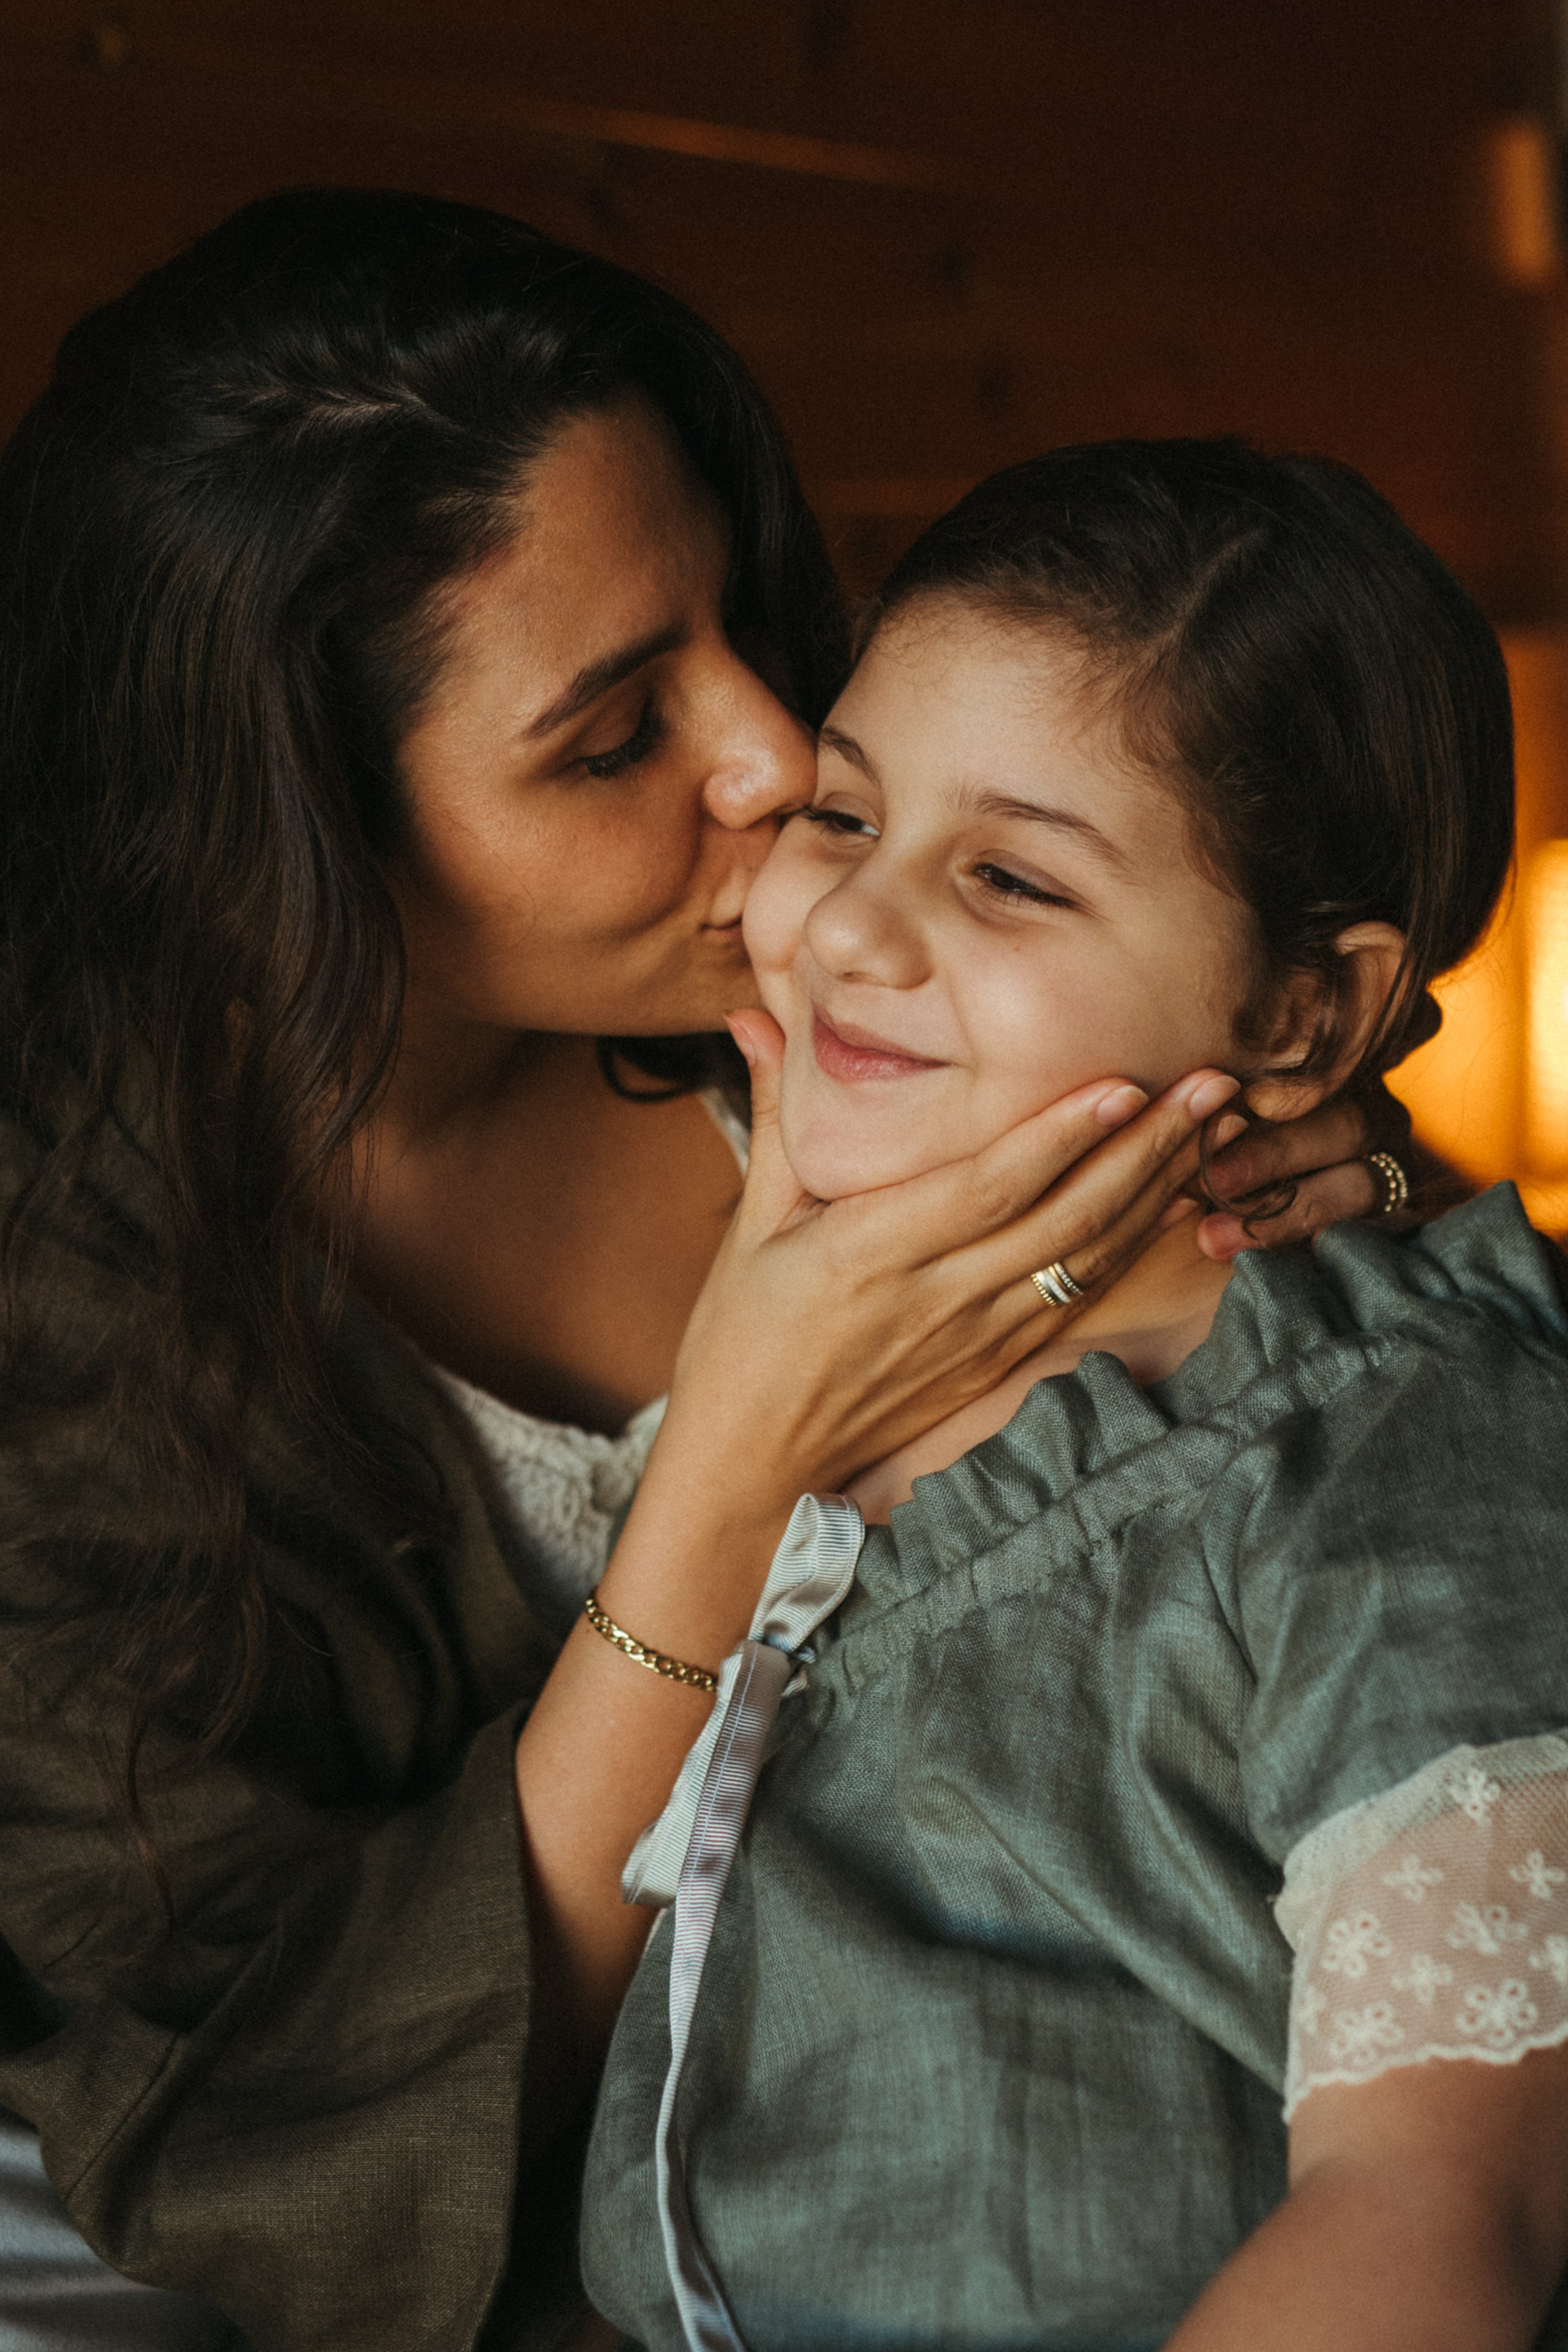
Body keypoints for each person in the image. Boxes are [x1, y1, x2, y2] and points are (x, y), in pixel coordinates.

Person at [0, 192, 1409, 2352]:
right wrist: (729, 1473)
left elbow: (1392, 1469)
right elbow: (257, 2148)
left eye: (738, 616)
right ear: (270, 834)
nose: (772, 752)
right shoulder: (71, 1327)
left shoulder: (857, 963)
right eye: (608, 735)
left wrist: (1343, 1203)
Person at [580, 441, 1568, 2351]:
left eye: (1013, 877)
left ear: (1298, 1020)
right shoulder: (781, 1310)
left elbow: (1439, 2216)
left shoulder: (1398, 1451)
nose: (857, 929)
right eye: (846, 816)